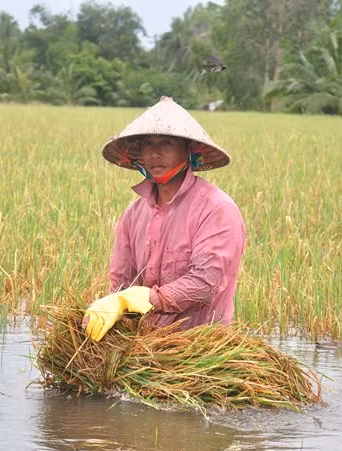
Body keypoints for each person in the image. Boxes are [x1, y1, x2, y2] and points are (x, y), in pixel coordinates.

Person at [84, 96, 245, 341]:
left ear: (189, 149)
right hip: (145, 345)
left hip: (199, 347)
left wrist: (142, 298)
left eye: (167, 143)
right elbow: (121, 283)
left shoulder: (216, 209)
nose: (156, 153)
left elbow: (205, 285)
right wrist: (108, 306)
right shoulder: (133, 215)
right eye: (148, 143)